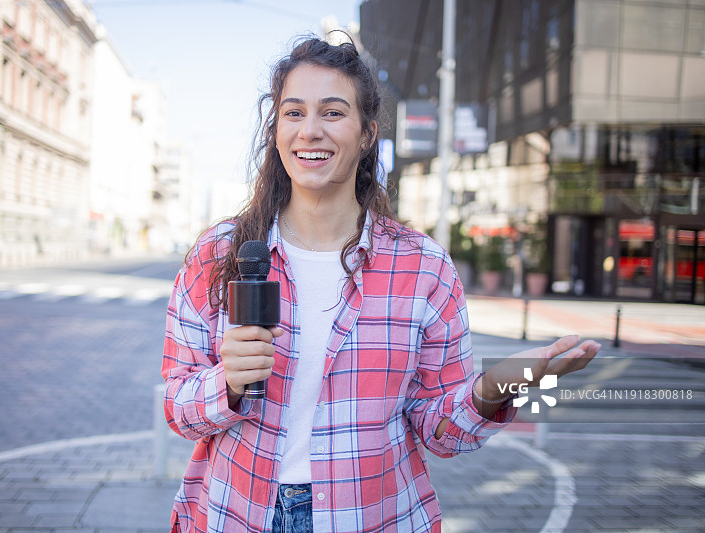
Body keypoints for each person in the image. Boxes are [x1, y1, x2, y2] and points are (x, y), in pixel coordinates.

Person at [161, 35, 600, 533]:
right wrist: (228, 383)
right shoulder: (219, 253)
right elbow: (178, 407)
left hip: (374, 518)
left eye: (332, 113)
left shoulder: (423, 267)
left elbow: (440, 432)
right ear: (275, 128)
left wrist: (498, 385)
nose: (310, 131)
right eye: (294, 112)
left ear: (367, 133)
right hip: (233, 514)